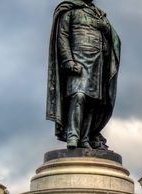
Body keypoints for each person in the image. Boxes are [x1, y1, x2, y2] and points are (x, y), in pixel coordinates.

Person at [46, 0, 121, 149]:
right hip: (78, 60)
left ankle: (85, 138)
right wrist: (68, 60)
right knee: (78, 95)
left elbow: (112, 37)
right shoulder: (70, 10)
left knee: (93, 101)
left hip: (97, 62)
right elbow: (63, 36)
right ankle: (73, 135)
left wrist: (106, 29)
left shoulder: (99, 14)